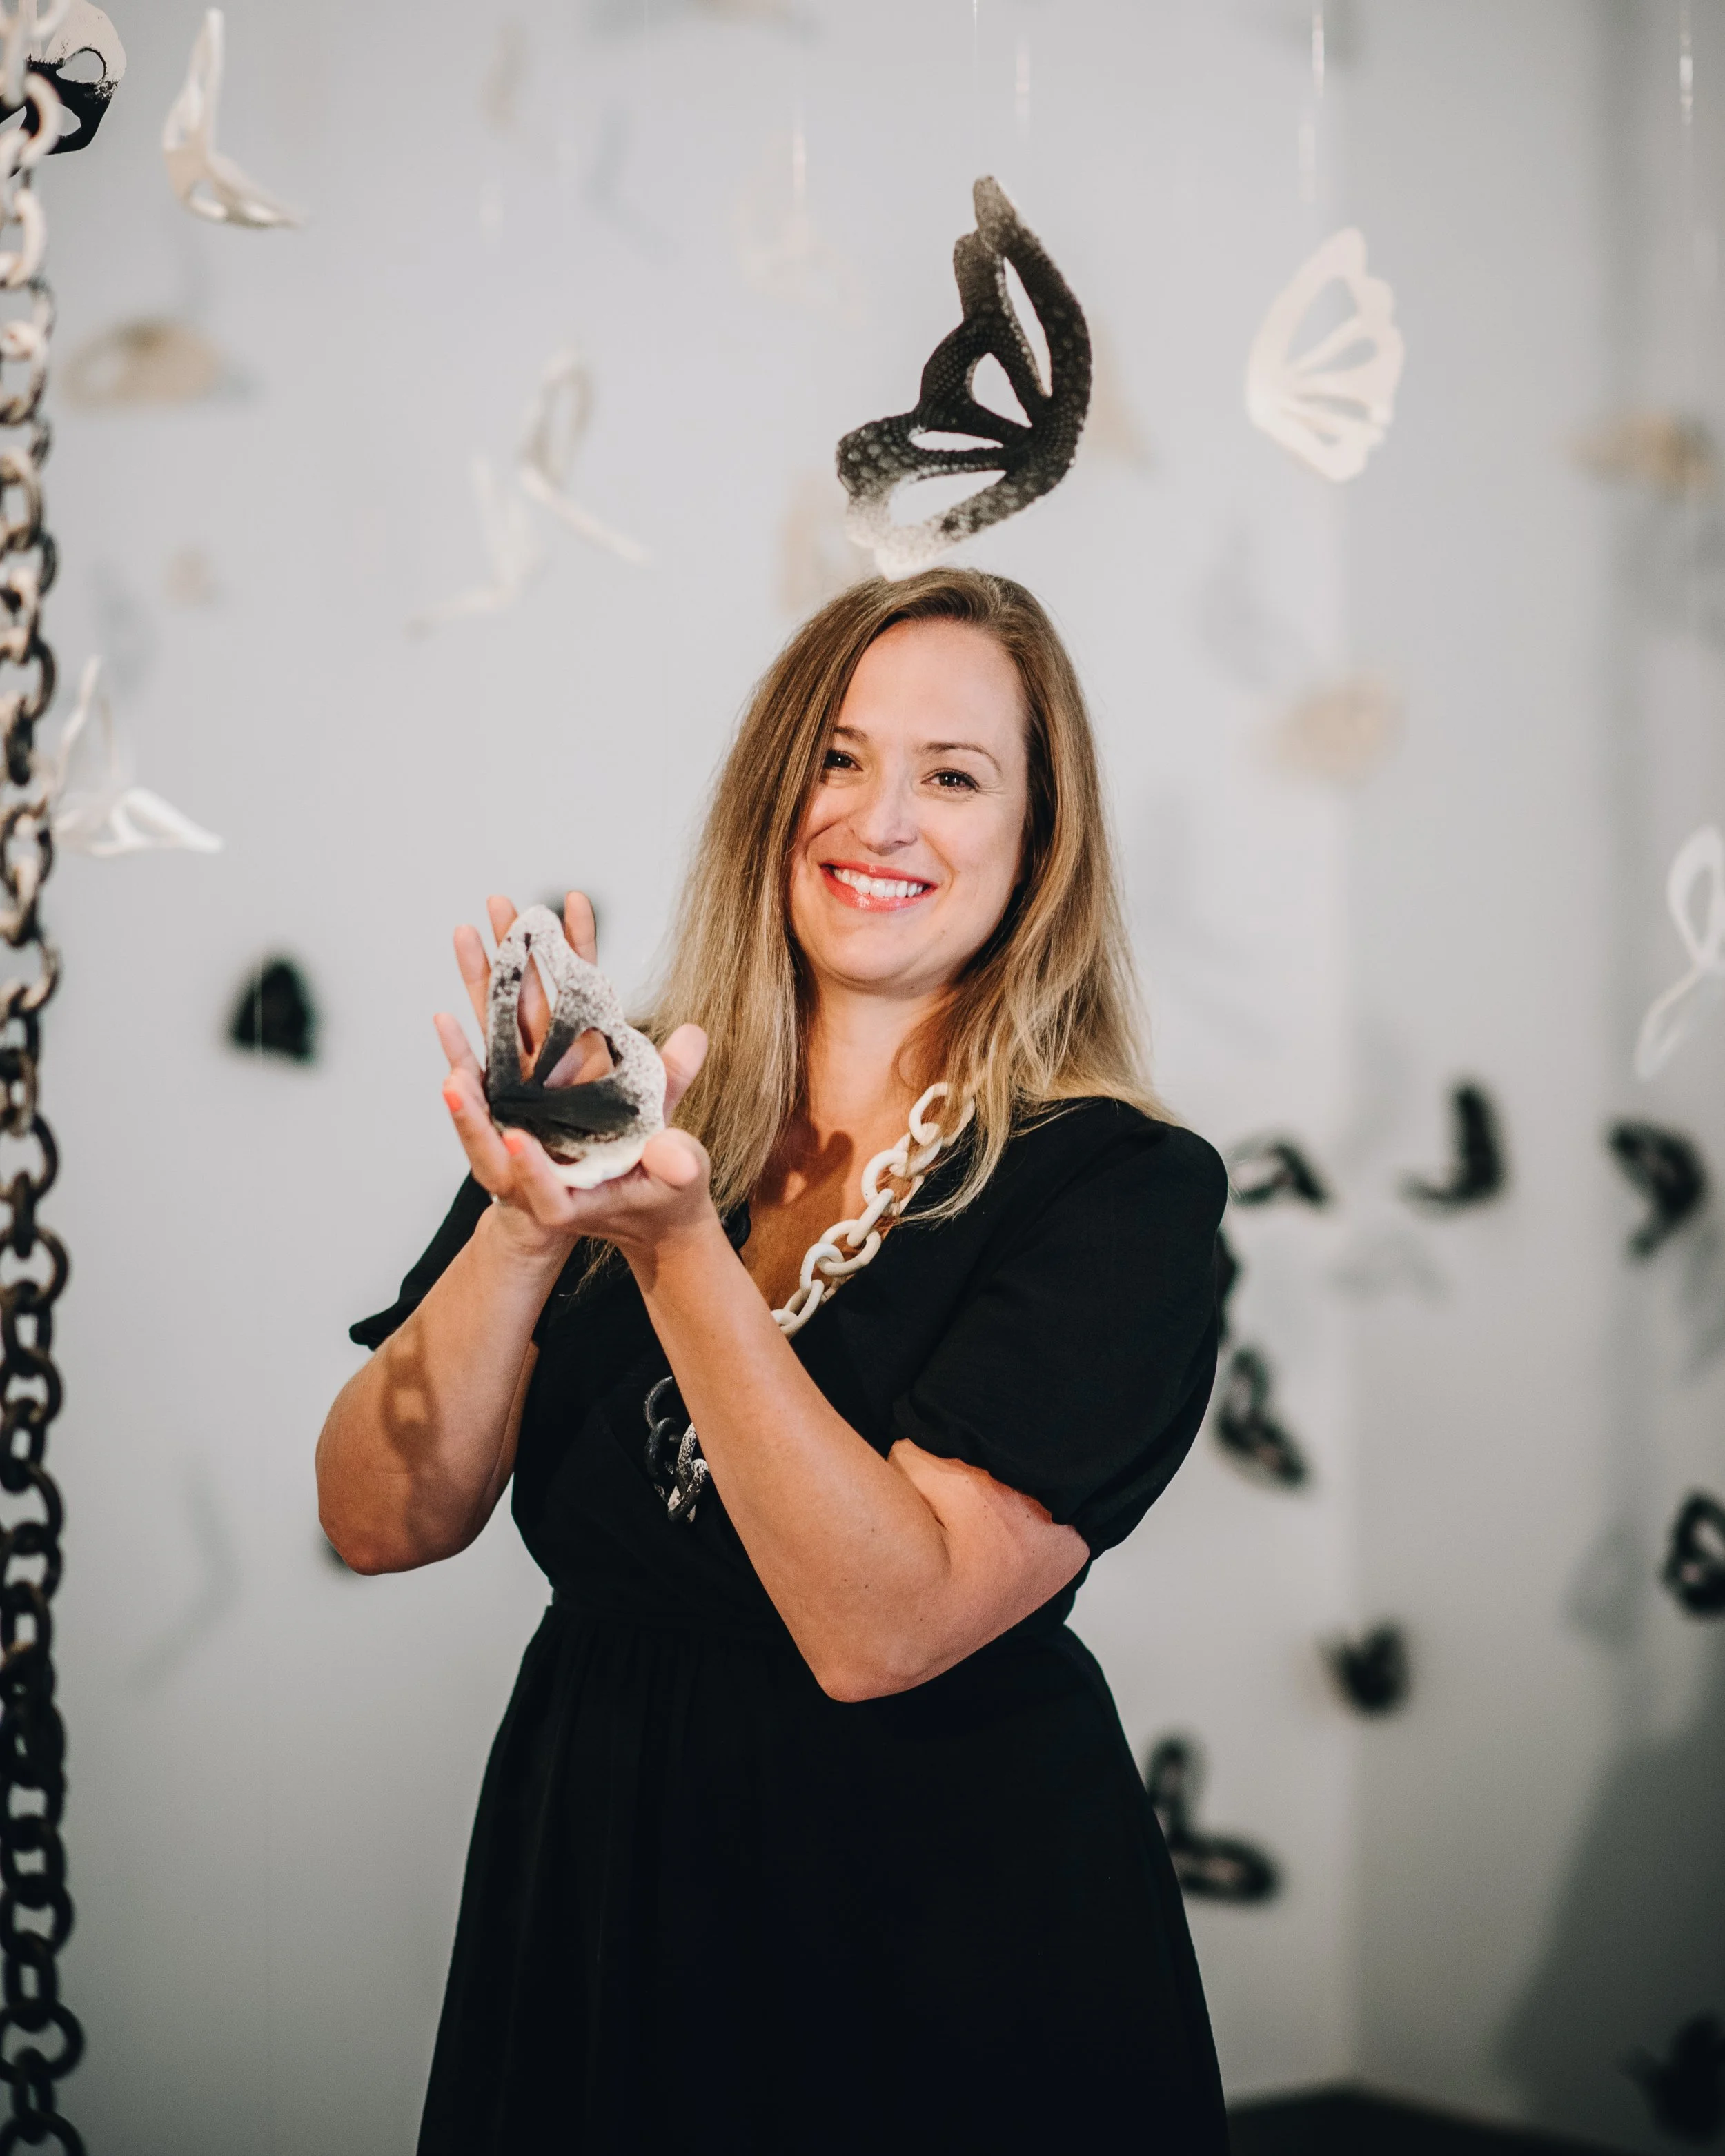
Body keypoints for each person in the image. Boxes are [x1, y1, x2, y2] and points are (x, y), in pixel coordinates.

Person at [317, 566, 1230, 2154]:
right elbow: (374, 1517)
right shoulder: (616, 1096)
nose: (878, 819)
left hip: (940, 1944)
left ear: (1034, 849)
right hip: (593, 1886)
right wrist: (531, 1226)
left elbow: (882, 1628)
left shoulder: (1116, 1189)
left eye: (952, 776)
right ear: (770, 790)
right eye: (838, 754)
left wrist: (673, 1255)